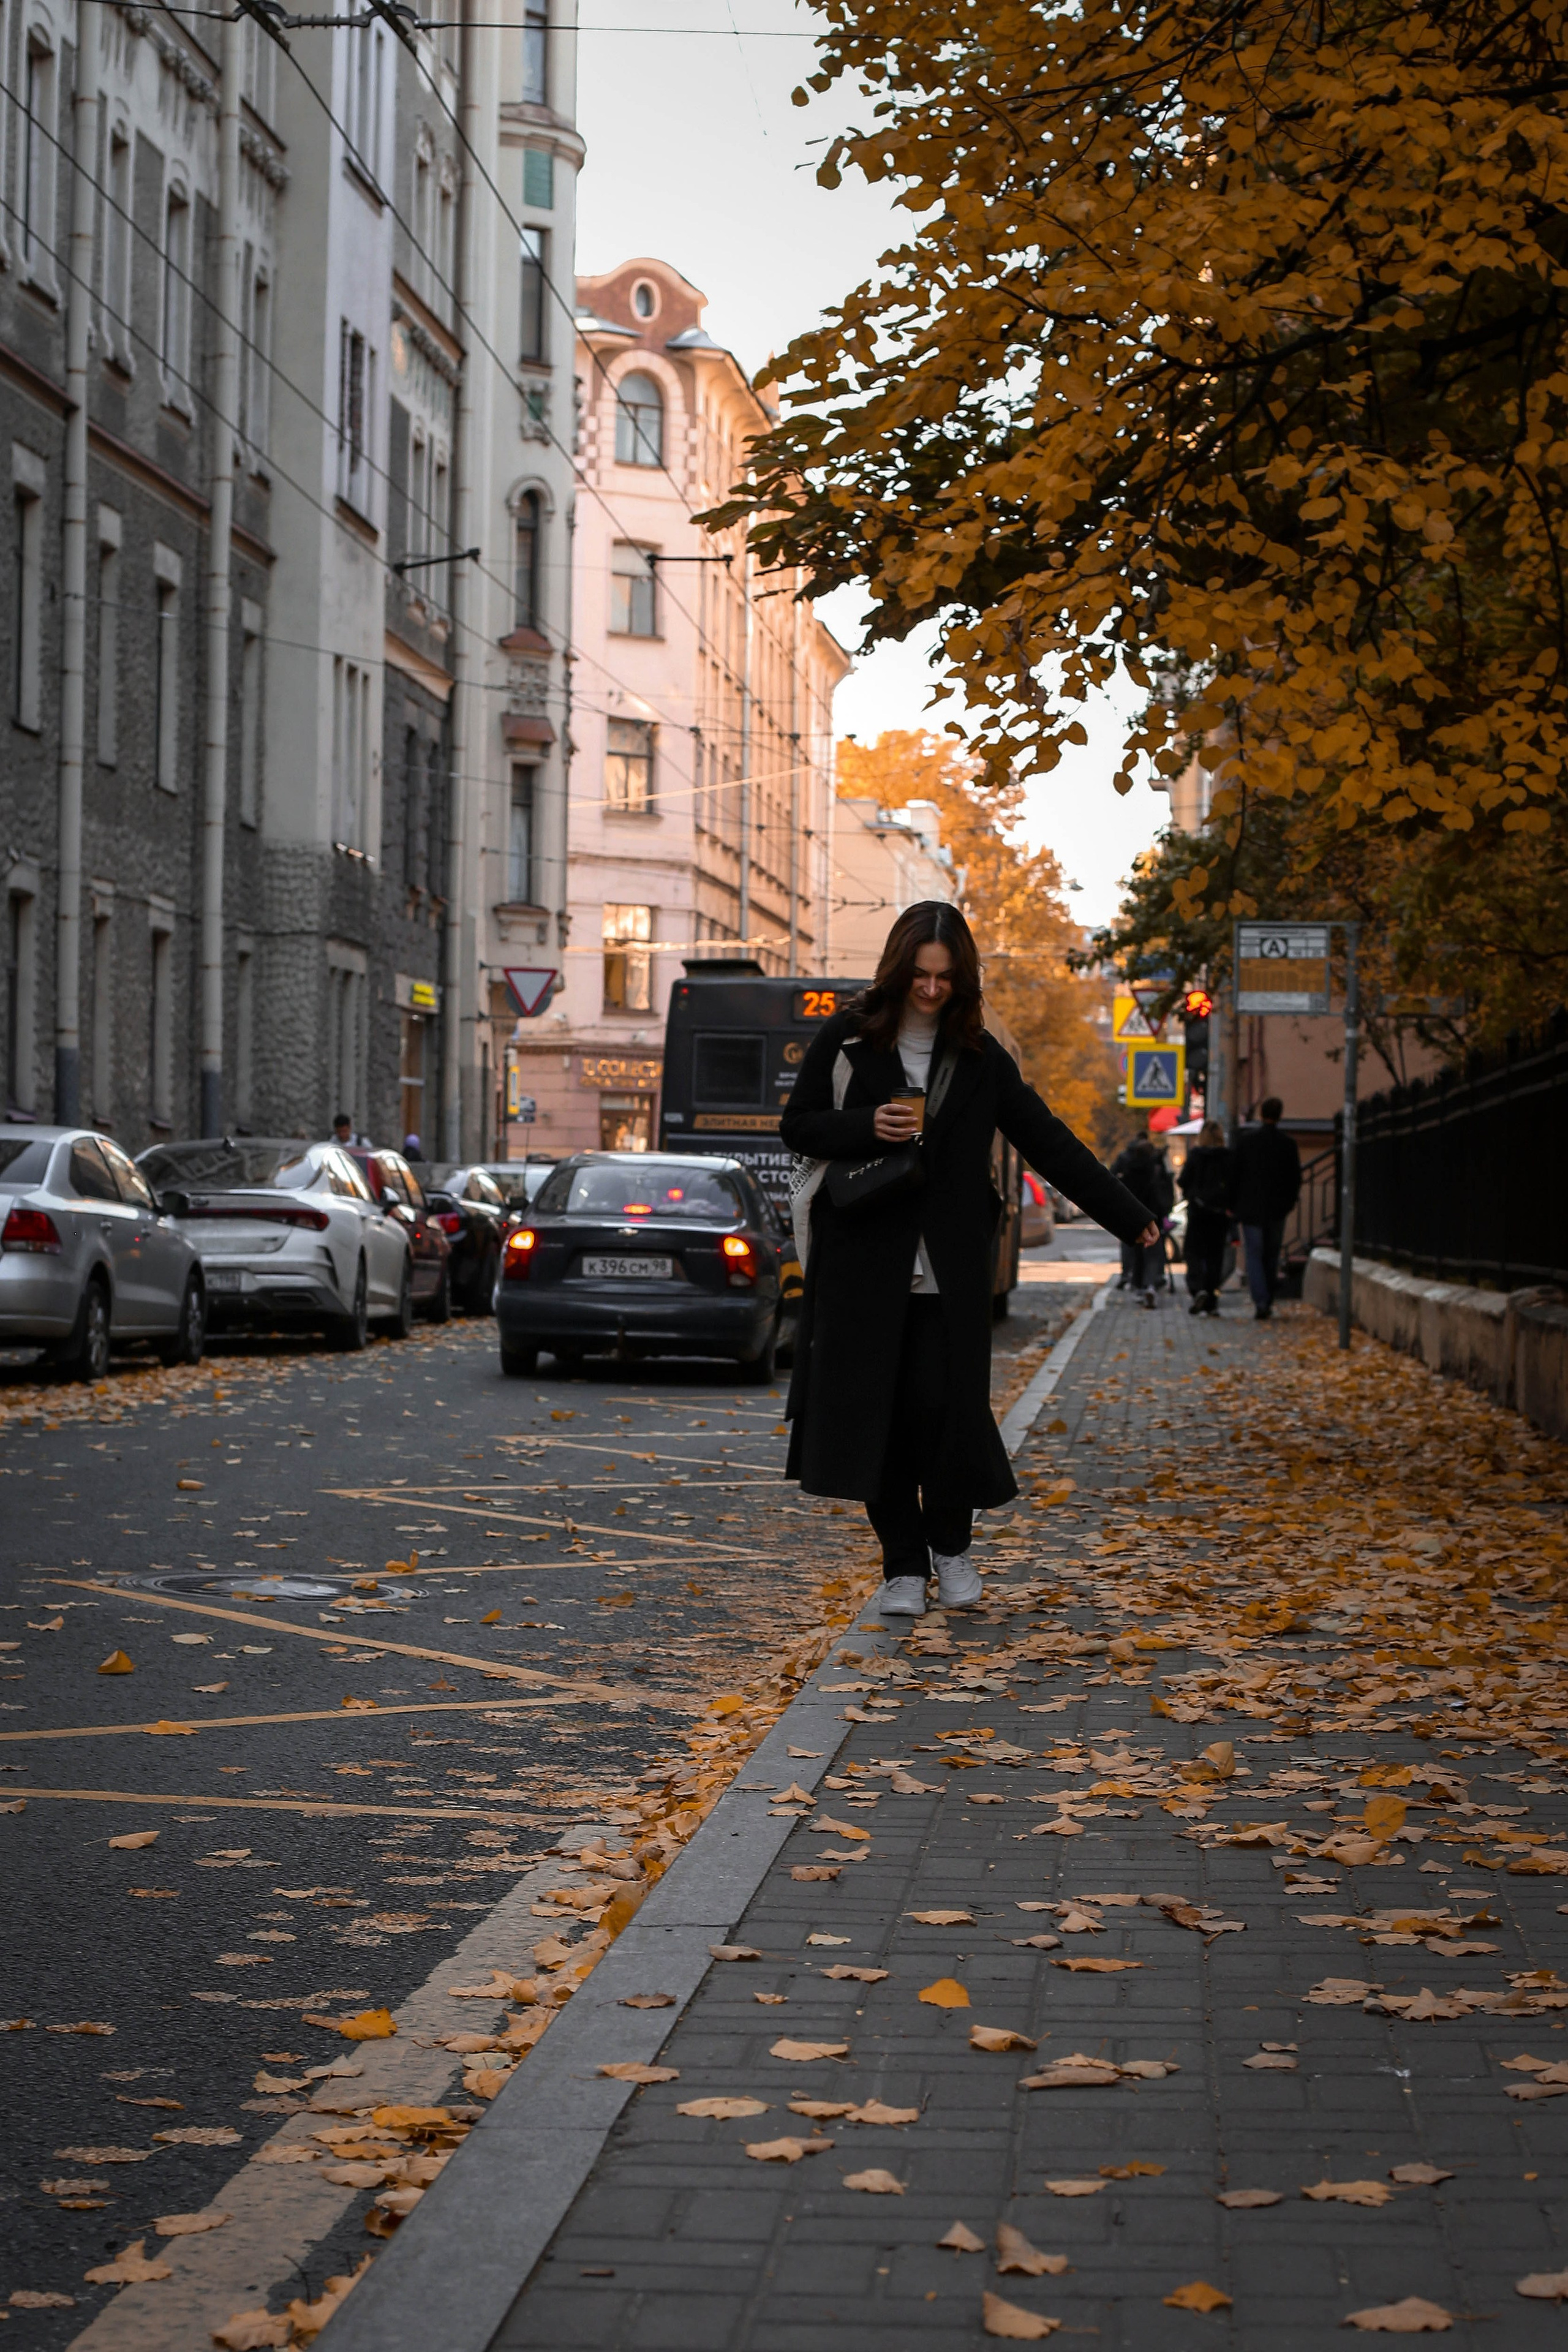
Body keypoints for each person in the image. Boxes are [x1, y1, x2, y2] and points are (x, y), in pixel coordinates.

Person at [779, 902, 1156, 1621]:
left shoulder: (981, 1057)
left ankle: (951, 1549)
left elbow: (1048, 1140)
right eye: (919, 975)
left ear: (963, 978)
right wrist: (868, 1125)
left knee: (947, 1413)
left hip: (949, 1270)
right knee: (878, 1417)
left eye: (945, 977)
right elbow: (795, 1126)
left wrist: (1129, 1218)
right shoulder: (848, 1036)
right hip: (864, 1261)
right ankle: (900, 1567)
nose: (930, 990)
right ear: (897, 970)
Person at [1230, 1095, 1301, 1320]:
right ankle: (1267, 1297)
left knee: (1254, 1254)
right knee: (1272, 1253)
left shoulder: (1247, 1142)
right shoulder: (1287, 1144)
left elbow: (1236, 1175)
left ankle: (1260, 1300)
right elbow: (1294, 1178)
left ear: (1262, 1115)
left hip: (1251, 1209)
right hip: (1277, 1209)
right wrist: (1288, 1203)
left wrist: (1234, 1204)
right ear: (1280, 1115)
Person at [1110, 1123, 1176, 1306]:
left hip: (1134, 1216)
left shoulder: (1128, 1167)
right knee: (1154, 1253)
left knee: (1136, 1252)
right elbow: (1163, 1192)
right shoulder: (1154, 1169)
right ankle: (1151, 1284)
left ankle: (1136, 1283)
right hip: (1154, 1215)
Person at [1178, 1118, 1234, 1316]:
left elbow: (1183, 1180)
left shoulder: (1196, 1155)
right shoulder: (1227, 1157)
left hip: (1198, 1211)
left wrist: (1192, 1192)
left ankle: (1197, 1288)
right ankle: (1211, 1300)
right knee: (1215, 1257)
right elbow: (1234, 1184)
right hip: (1219, 1214)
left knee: (1193, 1252)